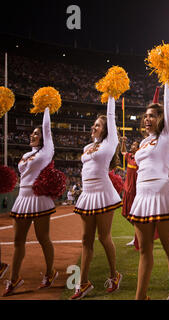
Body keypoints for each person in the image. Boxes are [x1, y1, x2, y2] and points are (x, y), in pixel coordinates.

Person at [126, 83, 169, 300]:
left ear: (160, 118)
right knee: (144, 250)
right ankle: (140, 297)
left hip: (161, 195)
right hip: (142, 197)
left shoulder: (167, 135)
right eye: (145, 116)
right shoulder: (143, 142)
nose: (147, 119)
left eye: (152, 115)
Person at [71, 96, 123, 300]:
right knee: (86, 240)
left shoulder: (110, 143)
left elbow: (111, 115)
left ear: (106, 129)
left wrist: (110, 95)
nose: (94, 127)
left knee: (103, 237)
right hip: (87, 194)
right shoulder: (86, 148)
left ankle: (114, 275)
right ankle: (83, 283)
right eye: (93, 124)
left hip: (103, 194)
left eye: (98, 125)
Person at [3, 107, 58, 296]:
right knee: (18, 241)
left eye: (36, 133)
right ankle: (14, 279)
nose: (32, 136)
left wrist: (46, 107)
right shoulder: (26, 155)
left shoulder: (47, 151)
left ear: (44, 138)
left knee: (43, 239)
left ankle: (50, 273)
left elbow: (47, 128)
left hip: (39, 199)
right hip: (22, 199)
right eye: (32, 133)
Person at [120, 138, 141, 250]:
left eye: (134, 144)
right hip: (127, 191)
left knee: (133, 216)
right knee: (125, 214)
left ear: (138, 148)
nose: (132, 146)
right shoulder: (129, 157)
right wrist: (123, 142)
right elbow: (123, 152)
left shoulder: (139, 158)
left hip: (135, 192)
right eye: (132, 144)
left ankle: (138, 236)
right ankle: (139, 233)